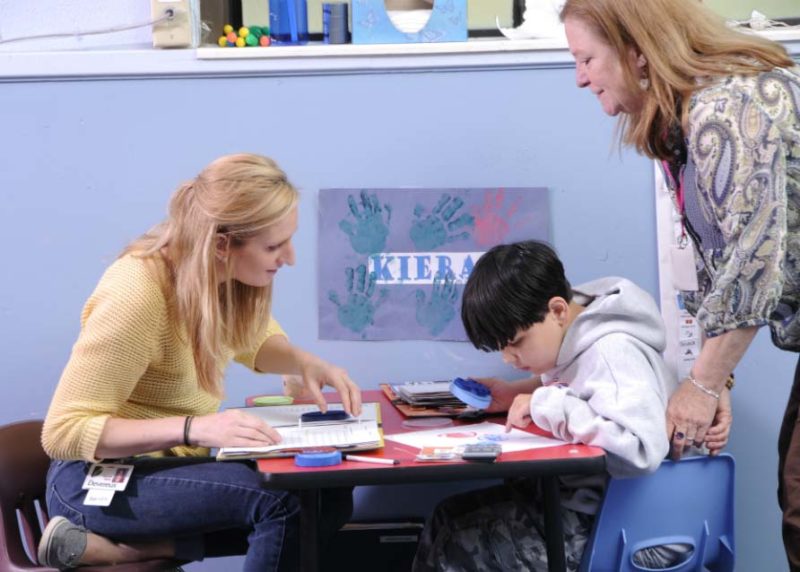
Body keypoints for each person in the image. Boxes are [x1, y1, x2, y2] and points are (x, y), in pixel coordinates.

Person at [558, 0, 799, 566]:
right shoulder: (683, 127)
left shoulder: (725, 112)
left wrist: (705, 386)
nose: (579, 78)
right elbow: (724, 269)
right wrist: (721, 381)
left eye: (587, 58)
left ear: (636, 52)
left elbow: (754, 262)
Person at [38, 153, 362, 571]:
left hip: (164, 466)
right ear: (223, 244)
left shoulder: (213, 275)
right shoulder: (137, 294)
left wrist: (304, 363)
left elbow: (253, 338)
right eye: (273, 245)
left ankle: (130, 550)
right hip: (91, 482)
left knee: (327, 494)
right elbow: (63, 431)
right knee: (284, 502)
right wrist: (197, 427)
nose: (290, 257)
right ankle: (114, 541)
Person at [413, 240, 726, 571]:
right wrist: (515, 392)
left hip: (633, 530)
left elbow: (640, 450)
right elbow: (582, 386)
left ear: (558, 311)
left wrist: (549, 404)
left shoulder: (613, 351)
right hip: (598, 511)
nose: (508, 358)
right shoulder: (577, 338)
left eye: (516, 343)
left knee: (457, 540)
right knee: (446, 516)